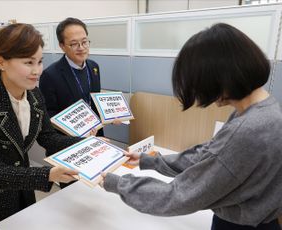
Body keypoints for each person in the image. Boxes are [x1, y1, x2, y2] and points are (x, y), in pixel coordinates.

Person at [101, 23, 282, 230]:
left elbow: (179, 195)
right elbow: (209, 155)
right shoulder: (264, 109)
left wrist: (117, 183)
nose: (201, 91)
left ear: (222, 76)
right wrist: (149, 161)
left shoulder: (248, 129)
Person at [0, 23, 82, 225]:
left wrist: (88, 144)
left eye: (40, 61)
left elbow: (48, 137)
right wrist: (49, 174)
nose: (37, 71)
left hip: (23, 192)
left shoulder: (34, 95)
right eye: (28, 62)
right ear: (1, 62)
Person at [39, 17, 105, 136]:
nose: (81, 48)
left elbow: (94, 101)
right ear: (62, 46)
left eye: (84, 42)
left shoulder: (94, 67)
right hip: (69, 141)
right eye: (74, 44)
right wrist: (76, 131)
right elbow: (49, 115)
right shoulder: (50, 75)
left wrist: (109, 116)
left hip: (96, 134)